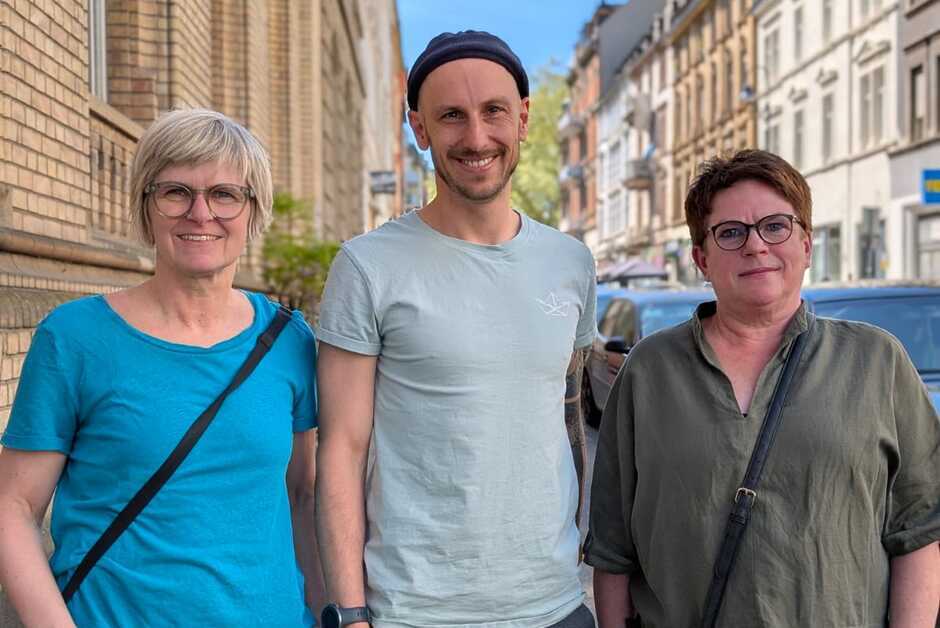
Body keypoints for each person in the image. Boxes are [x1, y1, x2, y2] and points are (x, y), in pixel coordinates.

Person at [586, 149, 940, 627]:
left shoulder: (876, 361)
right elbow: (612, 545)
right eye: (730, 233)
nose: (756, 246)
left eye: (776, 226)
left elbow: (918, 528)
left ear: (807, 246)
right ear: (701, 259)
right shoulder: (650, 370)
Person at [315, 30, 597, 628]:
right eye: (451, 117)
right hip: (415, 610)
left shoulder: (570, 262)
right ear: (419, 129)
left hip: (555, 602)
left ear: (522, 118)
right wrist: (352, 612)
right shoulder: (367, 266)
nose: (476, 138)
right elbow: (341, 449)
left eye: (493, 111)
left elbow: (566, 411)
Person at [0, 108, 323, 626]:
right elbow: (13, 508)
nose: (200, 213)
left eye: (225, 194)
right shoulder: (76, 338)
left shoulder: (288, 341)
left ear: (253, 211)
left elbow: (303, 498)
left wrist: (327, 611)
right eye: (175, 192)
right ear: (145, 208)